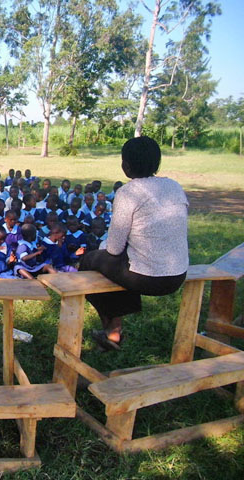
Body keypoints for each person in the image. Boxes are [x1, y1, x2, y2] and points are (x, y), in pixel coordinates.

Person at [79, 136, 188, 351]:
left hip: (148, 278)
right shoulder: (174, 186)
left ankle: (112, 328)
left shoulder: (128, 192)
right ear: (157, 164)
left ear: (125, 165)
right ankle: (113, 331)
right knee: (122, 263)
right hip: (177, 274)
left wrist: (102, 249)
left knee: (90, 261)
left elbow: (114, 248)